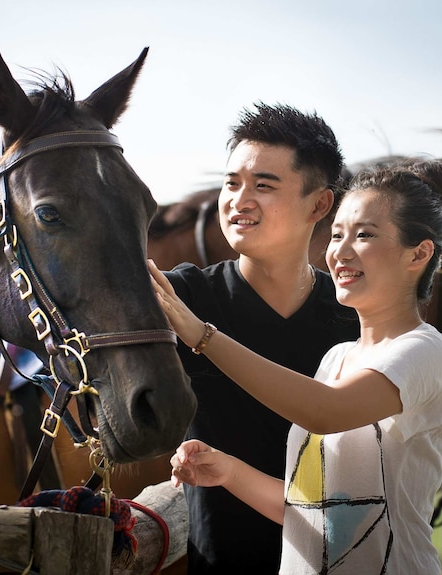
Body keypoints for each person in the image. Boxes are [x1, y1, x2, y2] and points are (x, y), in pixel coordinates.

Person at [150, 159, 442, 573]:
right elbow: (320, 510)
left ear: (419, 253)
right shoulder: (338, 358)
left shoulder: (426, 351)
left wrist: (201, 336)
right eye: (337, 235)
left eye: (365, 235)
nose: (340, 251)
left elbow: (324, 410)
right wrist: (228, 471)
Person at [161, 102, 359, 573]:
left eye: (263, 186)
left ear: (319, 204)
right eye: (232, 183)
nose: (238, 200)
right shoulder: (181, 295)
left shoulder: (355, 315)